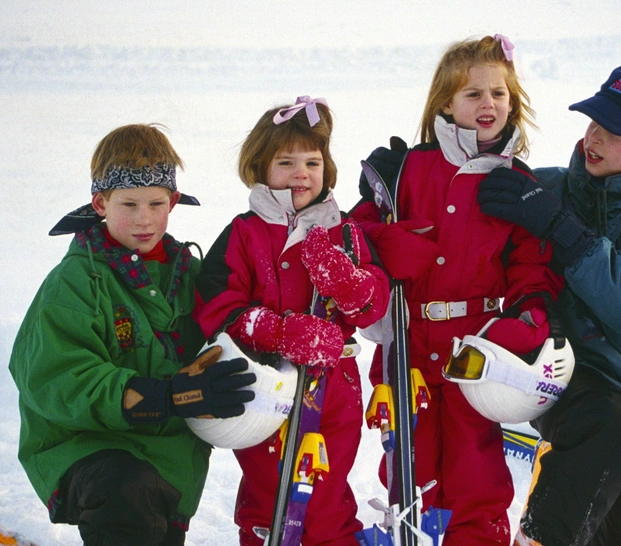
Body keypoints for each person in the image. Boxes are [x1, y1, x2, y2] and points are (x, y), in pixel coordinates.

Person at [351, 35, 564, 545]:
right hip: (409, 343)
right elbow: (355, 239)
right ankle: (418, 535)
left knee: (475, 468)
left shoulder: (517, 181)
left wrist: (530, 314)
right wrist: (384, 237)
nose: (487, 104)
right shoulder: (410, 170)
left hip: (479, 349)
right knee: (410, 462)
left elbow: (532, 265)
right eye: (473, 95)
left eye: (499, 94)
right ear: (445, 102)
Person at [477, 65, 621, 545]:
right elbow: (463, 198)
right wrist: (403, 180)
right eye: (594, 120)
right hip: (560, 379)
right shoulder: (547, 189)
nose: (594, 136)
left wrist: (563, 232)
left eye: (616, 129)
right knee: (607, 415)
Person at [9, 123, 256, 546]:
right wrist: (169, 395)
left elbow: (232, 324)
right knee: (128, 492)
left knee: (147, 510)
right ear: (100, 202)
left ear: (173, 202)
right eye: (129, 204)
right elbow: (59, 379)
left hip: (169, 457)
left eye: (156, 203)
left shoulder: (191, 276)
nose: (144, 219)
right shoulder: (75, 282)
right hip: (86, 447)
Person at [193, 96, 391, 545]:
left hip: (333, 388)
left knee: (326, 492)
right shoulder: (245, 231)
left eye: (312, 161)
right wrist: (276, 331)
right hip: (268, 389)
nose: (301, 173)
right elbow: (217, 303)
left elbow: (375, 305)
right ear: (261, 167)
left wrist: (348, 283)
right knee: (270, 495)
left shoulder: (343, 232)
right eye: (286, 161)